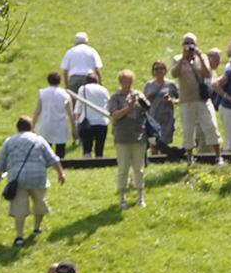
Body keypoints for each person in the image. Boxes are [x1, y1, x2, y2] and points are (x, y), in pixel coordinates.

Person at [0, 115, 67, 246]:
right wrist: (61, 173)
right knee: (39, 202)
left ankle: (19, 237)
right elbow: (53, 158)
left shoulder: (9, 141)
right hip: (37, 177)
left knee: (19, 207)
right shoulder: (39, 140)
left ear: (17, 128)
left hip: (17, 178)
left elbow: (0, 161)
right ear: (32, 127)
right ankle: (36, 229)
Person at [173, 33, 218, 160]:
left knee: (211, 125)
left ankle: (218, 155)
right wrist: (183, 57)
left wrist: (200, 56)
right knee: (188, 130)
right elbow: (175, 73)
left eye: (191, 43)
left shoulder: (202, 57)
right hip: (186, 100)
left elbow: (208, 74)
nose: (189, 46)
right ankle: (189, 158)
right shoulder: (178, 59)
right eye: (186, 43)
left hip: (202, 99)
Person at [109, 70, 151, 205]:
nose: (128, 84)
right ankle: (122, 197)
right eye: (125, 81)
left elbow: (148, 109)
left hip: (139, 136)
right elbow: (114, 115)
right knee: (123, 169)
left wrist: (144, 101)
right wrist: (128, 108)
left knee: (139, 169)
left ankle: (140, 196)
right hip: (122, 137)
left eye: (130, 81)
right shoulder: (115, 97)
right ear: (120, 82)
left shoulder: (138, 95)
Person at [34, 71, 73, 159]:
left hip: (46, 123)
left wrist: (33, 125)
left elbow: (37, 111)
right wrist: (74, 128)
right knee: (60, 150)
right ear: (60, 81)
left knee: (45, 150)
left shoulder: (43, 93)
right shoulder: (65, 94)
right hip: (60, 125)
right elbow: (70, 113)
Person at [143, 60, 178, 154]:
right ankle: (154, 159)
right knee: (153, 141)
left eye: (161, 68)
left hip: (166, 117)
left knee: (163, 141)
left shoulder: (171, 84)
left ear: (165, 70)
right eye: (156, 69)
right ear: (153, 71)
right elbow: (143, 100)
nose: (159, 71)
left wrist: (172, 101)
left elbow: (180, 98)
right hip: (153, 116)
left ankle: (162, 158)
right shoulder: (149, 84)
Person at [76, 76, 111, 157]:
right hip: (102, 122)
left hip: (88, 122)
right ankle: (99, 163)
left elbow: (78, 107)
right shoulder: (104, 90)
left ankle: (87, 163)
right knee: (100, 147)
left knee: (87, 147)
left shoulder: (83, 88)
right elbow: (109, 105)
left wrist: (76, 123)